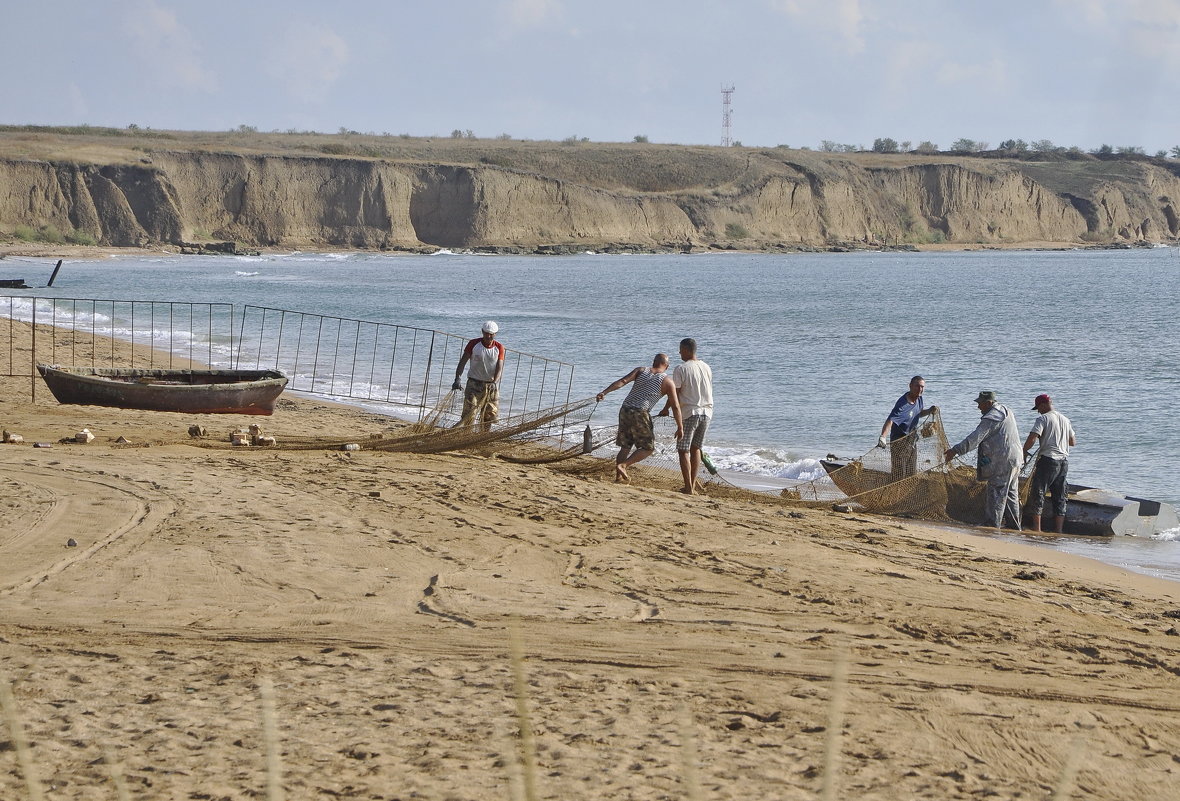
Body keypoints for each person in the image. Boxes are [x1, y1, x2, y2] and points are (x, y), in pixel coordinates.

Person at [597, 354, 683, 483]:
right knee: (648, 448)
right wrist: (680, 426)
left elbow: (622, 381)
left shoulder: (641, 370)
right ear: (667, 366)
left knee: (625, 446)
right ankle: (623, 465)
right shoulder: (667, 381)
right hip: (640, 413)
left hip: (625, 409)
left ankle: (619, 478)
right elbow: (675, 406)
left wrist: (604, 392)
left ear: (654, 362)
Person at [944, 390, 1022, 530]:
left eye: (980, 403)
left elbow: (975, 438)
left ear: (989, 403)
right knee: (1010, 494)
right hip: (1015, 459)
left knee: (997, 492)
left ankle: (992, 525)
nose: (978, 407)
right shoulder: (1005, 410)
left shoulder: (992, 417)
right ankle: (1014, 527)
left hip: (1002, 462)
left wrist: (955, 450)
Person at [659, 337, 713, 494]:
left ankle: (688, 487)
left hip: (690, 412)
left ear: (688, 350)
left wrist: (665, 409)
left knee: (683, 450)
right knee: (696, 448)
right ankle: (692, 485)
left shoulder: (681, 369)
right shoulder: (706, 366)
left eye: (681, 349)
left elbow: (675, 392)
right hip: (707, 412)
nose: (679, 352)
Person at [1022, 393, 1077, 533]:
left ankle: (1037, 529)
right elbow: (1072, 442)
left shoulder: (1043, 419)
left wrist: (1023, 450)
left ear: (1043, 405)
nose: (1038, 411)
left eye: (1038, 408)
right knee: (1060, 497)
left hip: (1048, 460)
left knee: (1038, 492)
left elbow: (1033, 438)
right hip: (1063, 463)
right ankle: (1058, 531)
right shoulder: (1065, 419)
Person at [877, 375, 938, 479]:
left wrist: (929, 411)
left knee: (911, 472)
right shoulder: (902, 405)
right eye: (917, 386)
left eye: (922, 387)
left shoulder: (919, 399)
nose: (920, 389)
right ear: (910, 386)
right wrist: (883, 436)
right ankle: (896, 492)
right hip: (899, 442)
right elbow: (890, 420)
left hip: (912, 441)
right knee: (899, 474)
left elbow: (918, 413)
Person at [451, 321, 505, 430]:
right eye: (486, 333)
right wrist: (457, 378)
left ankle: (483, 436)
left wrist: (495, 382)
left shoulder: (499, 348)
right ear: (482, 332)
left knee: (488, 415)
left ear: (495, 334)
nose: (488, 336)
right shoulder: (473, 344)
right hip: (473, 384)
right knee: (469, 413)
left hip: (491, 386)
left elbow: (499, 368)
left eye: (491, 334)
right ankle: (467, 435)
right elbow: (463, 362)